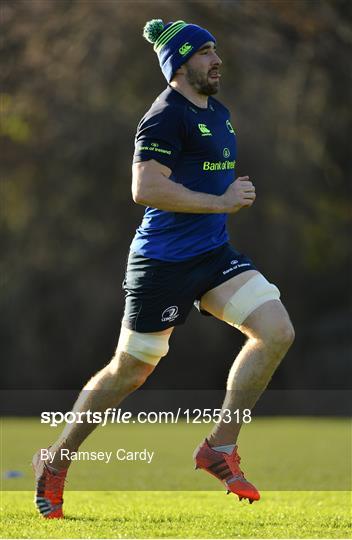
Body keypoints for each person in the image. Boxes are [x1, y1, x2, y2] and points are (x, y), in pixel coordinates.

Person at [32, 19, 295, 519]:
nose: (217, 59)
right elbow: (145, 188)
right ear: (179, 63)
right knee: (131, 370)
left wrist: (221, 208)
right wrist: (220, 201)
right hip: (162, 264)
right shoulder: (163, 117)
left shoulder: (219, 112)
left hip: (214, 257)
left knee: (276, 330)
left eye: (216, 49)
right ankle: (57, 458)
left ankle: (219, 447)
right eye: (204, 52)